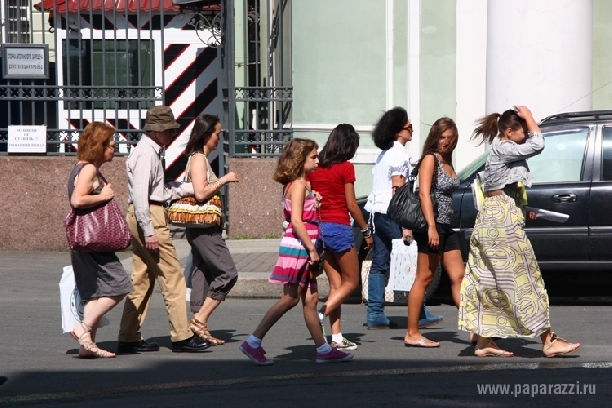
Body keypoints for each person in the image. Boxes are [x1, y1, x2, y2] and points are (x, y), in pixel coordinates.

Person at [458, 106, 580, 357]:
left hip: (495, 218)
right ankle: (548, 340)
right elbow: (538, 145)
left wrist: (526, 210)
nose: (526, 135)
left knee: (490, 280)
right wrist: (531, 117)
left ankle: (484, 341)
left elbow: (502, 191)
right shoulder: (503, 147)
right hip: (501, 222)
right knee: (525, 279)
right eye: (522, 131)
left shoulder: (501, 150)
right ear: (510, 131)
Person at [239, 138, 354, 365]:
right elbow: (297, 221)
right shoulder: (299, 185)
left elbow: (303, 213)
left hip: (303, 246)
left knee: (310, 300)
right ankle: (253, 341)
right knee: (289, 299)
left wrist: (315, 203)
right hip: (300, 247)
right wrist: (312, 249)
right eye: (313, 156)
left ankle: (322, 349)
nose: (317, 160)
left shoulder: (301, 184)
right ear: (301, 159)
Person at [118, 106, 210, 353]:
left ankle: (128, 336)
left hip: (146, 212)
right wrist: (149, 230)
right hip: (148, 214)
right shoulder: (147, 154)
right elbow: (141, 196)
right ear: (157, 130)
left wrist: (187, 189)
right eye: (169, 130)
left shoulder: (148, 151)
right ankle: (181, 336)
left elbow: (158, 191)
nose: (171, 134)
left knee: (142, 278)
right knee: (173, 276)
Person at [364, 107, 443, 330]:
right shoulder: (399, 155)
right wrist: (405, 225)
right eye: (409, 127)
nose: (412, 130)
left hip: (376, 213)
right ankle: (418, 312)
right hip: (392, 214)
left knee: (380, 262)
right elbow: (397, 190)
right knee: (411, 259)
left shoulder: (384, 153)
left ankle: (375, 313)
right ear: (399, 130)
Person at [67, 121, 134, 358]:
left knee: (95, 293)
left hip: (84, 241)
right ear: (98, 145)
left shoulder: (83, 168)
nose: (113, 148)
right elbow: (77, 201)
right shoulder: (88, 170)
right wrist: (104, 196)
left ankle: (87, 346)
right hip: (94, 240)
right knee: (119, 286)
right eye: (110, 144)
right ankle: (83, 328)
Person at [308, 124, 373, 350]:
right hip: (339, 227)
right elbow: (352, 205)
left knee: (336, 285)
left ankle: (336, 337)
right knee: (351, 282)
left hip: (319, 229)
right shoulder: (346, 168)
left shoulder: (316, 167)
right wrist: (366, 231)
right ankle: (320, 313)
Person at [404, 118, 463, 348]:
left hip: (446, 224)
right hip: (433, 225)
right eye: (442, 137)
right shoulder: (430, 159)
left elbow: (443, 193)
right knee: (424, 277)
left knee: (459, 276)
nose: (446, 142)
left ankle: (475, 329)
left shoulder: (446, 160)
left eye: (450, 138)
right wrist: (430, 226)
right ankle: (412, 332)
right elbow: (424, 194)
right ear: (434, 137)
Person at [184, 114, 240, 345]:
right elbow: (200, 193)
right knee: (228, 272)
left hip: (203, 227)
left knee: (203, 273)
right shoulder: (198, 159)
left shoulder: (200, 159)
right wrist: (224, 179)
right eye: (218, 133)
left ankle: (198, 325)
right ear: (207, 135)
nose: (219, 138)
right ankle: (200, 320)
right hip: (204, 228)